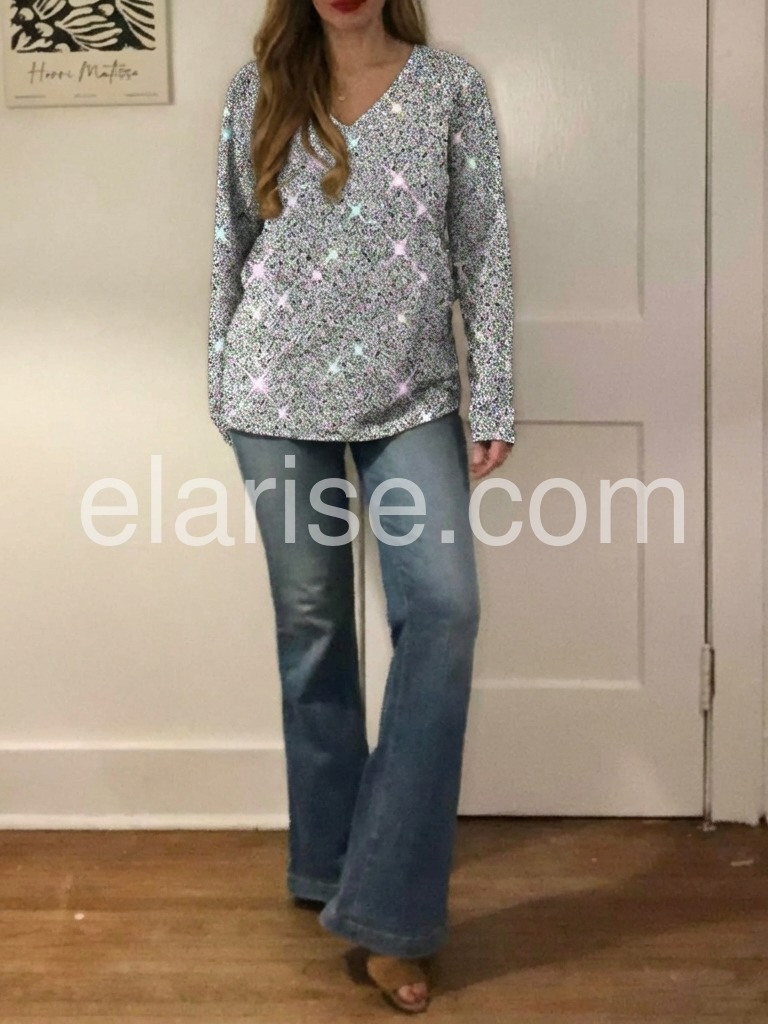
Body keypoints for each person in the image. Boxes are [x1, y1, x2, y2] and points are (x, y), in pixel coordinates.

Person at [206, 0, 516, 1012]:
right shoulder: (258, 93)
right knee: (313, 630)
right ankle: (327, 862)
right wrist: (222, 388)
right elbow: (231, 243)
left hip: (411, 397)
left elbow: (483, 249)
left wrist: (493, 395)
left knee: (445, 609)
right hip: (272, 395)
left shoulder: (450, 89)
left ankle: (388, 908)